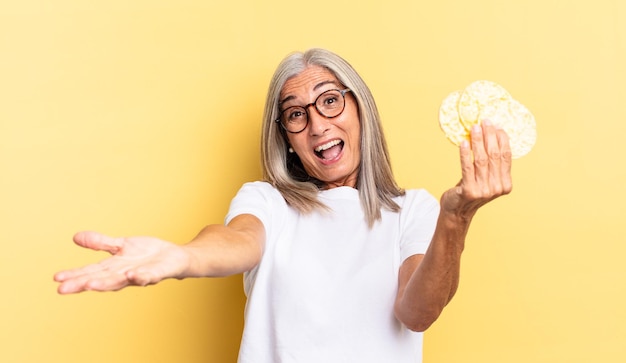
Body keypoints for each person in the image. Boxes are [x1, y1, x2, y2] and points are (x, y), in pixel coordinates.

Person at [54, 48, 512, 362]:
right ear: (287, 138)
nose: (317, 125)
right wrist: (183, 257)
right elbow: (237, 240)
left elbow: (417, 312)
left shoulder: (413, 210)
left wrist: (456, 218)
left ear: (360, 109)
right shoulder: (267, 202)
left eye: (330, 101)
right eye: (297, 113)